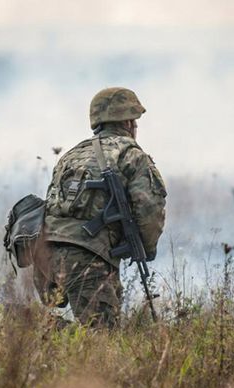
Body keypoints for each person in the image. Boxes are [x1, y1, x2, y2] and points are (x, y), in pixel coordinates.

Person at [33, 87, 167, 328]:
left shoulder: (72, 155)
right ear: (128, 121)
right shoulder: (131, 155)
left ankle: (38, 329)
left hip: (47, 255)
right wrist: (145, 249)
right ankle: (31, 326)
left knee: (93, 335)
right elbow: (149, 210)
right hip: (89, 256)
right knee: (101, 339)